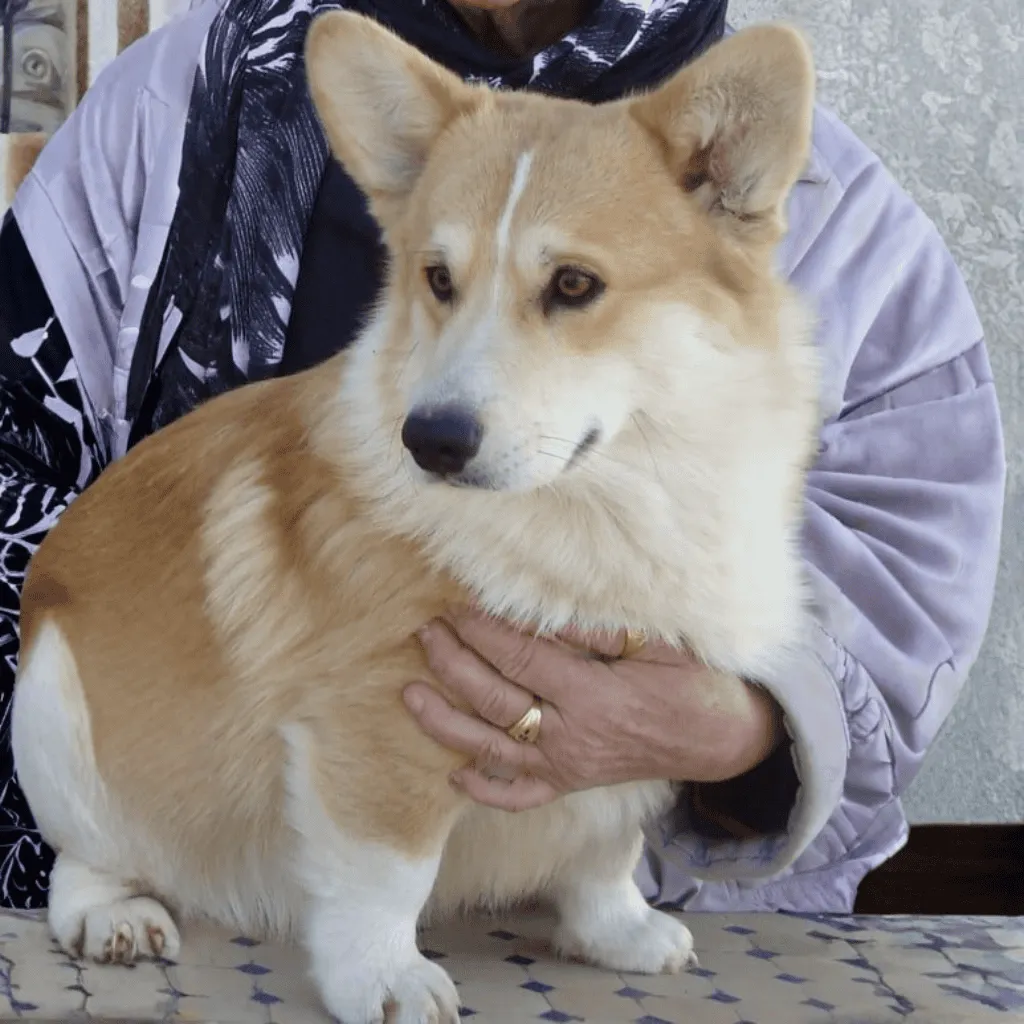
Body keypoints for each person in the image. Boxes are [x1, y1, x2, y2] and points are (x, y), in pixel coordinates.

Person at [0, 0, 1004, 914]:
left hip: (663, 929)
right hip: (211, 896)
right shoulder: (169, 111)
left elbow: (911, 598)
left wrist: (737, 726)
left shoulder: (841, 221)